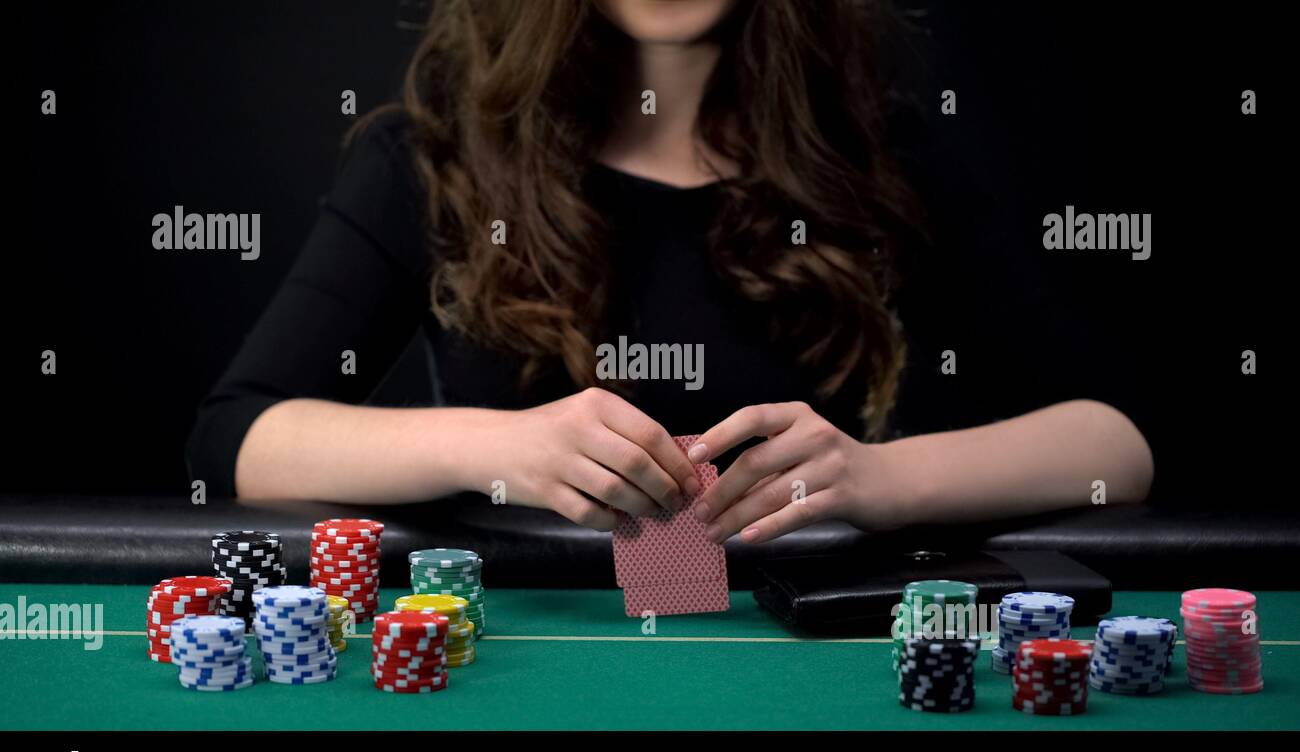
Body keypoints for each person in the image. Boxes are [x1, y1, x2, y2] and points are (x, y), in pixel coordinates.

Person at [187, 0, 1152, 545]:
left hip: (801, 665)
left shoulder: (883, 152)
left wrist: (872, 476)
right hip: (520, 661)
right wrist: (500, 449)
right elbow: (240, 438)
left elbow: (1115, 442)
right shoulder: (429, 157)